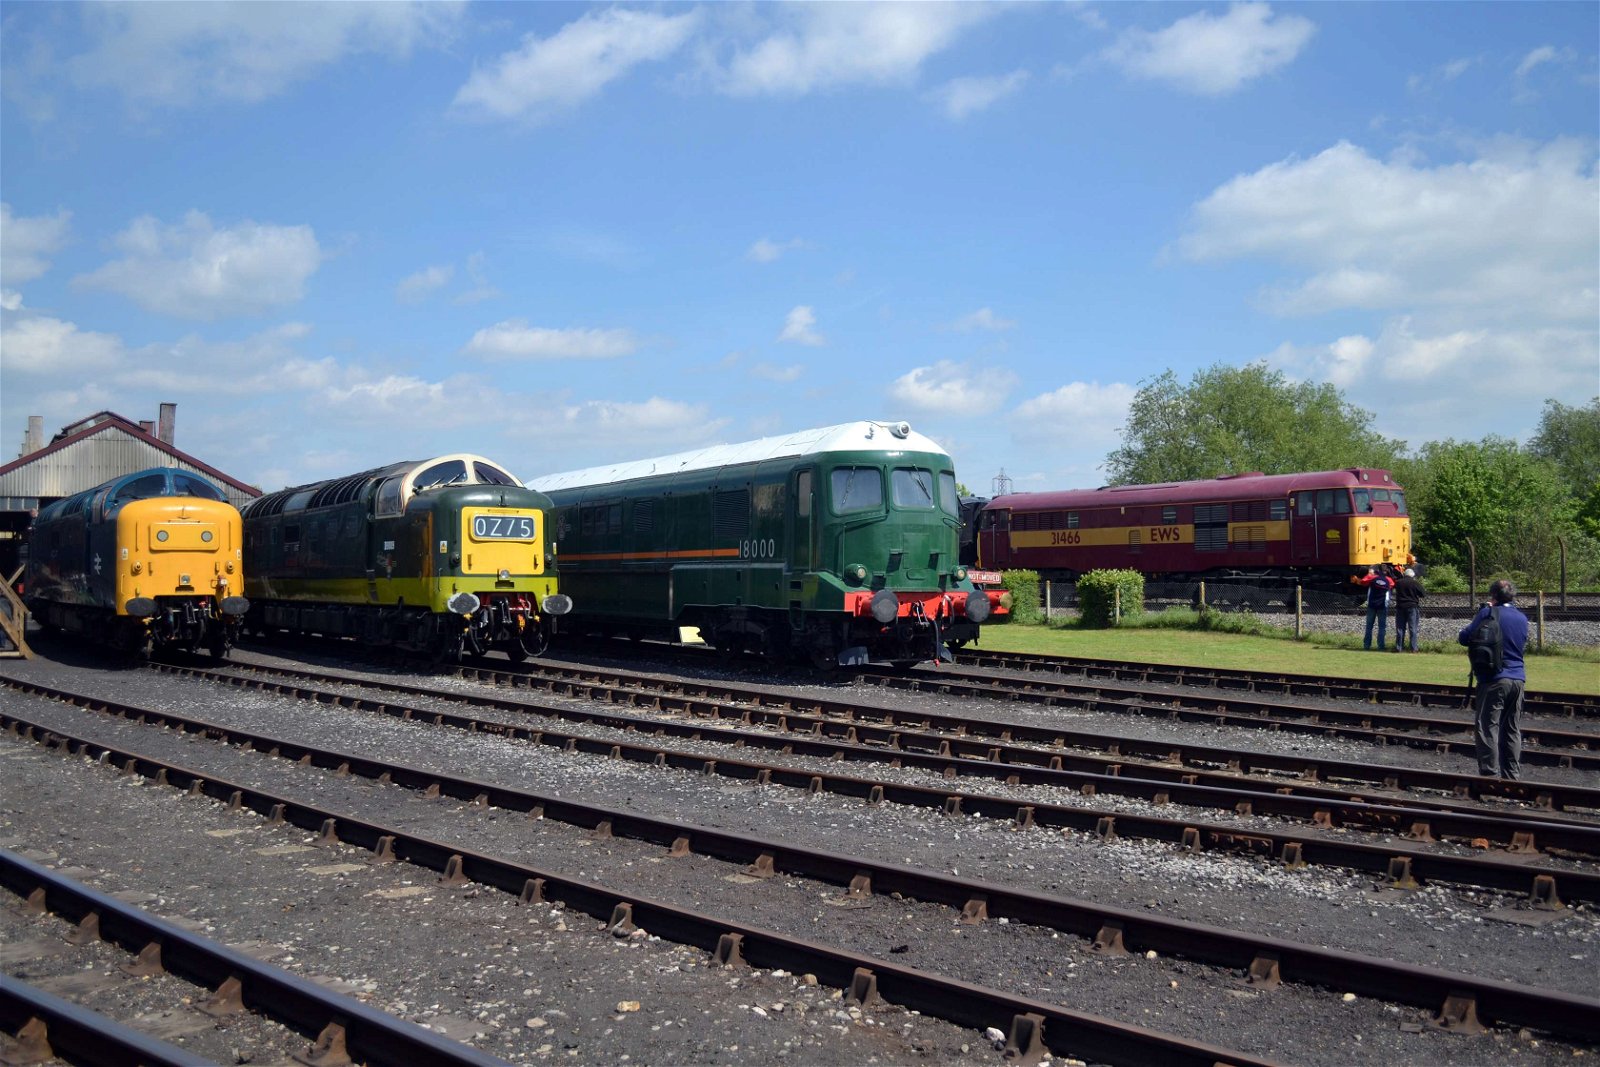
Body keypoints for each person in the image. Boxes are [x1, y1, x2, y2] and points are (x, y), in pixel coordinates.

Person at [1458, 579, 1530, 780]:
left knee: (1487, 725)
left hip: (1493, 678)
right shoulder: (1522, 618)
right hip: (1518, 679)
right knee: (1512, 728)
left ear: (1494, 596)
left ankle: (1489, 774)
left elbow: (1464, 638)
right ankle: (1511, 775)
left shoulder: (1487, 613)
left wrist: (1482, 614)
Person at [1354, 564, 1395, 650]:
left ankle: (1367, 645)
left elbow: (1363, 582)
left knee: (1369, 626)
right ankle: (1381, 646)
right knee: (1382, 627)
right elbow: (1392, 585)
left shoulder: (1372, 578)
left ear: (1377, 570)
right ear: (1386, 571)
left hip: (1372, 605)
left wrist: (1369, 574)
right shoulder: (1389, 580)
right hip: (1382, 605)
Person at [1392, 567, 1425, 652]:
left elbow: (1393, 589)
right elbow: (1422, 594)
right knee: (1412, 628)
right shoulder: (1414, 583)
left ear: (1404, 574)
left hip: (1400, 607)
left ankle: (1399, 647)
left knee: (1400, 628)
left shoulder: (1398, 583)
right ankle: (1414, 648)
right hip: (1412, 607)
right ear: (1412, 575)